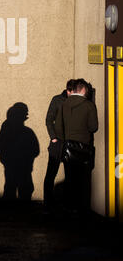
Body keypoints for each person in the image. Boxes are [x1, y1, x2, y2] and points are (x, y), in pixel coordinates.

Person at [55, 78, 98, 216]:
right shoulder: (89, 105)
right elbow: (93, 127)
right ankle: (81, 207)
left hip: (68, 145)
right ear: (84, 89)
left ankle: (68, 206)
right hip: (83, 146)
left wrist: (65, 138)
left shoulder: (64, 103)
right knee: (83, 178)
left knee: (69, 177)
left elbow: (58, 127)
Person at [43, 79, 75, 213]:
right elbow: (49, 119)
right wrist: (53, 137)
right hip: (58, 142)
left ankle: (68, 204)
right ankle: (48, 204)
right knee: (51, 173)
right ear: (68, 90)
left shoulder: (77, 102)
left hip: (71, 141)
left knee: (70, 174)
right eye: (73, 92)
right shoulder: (57, 100)